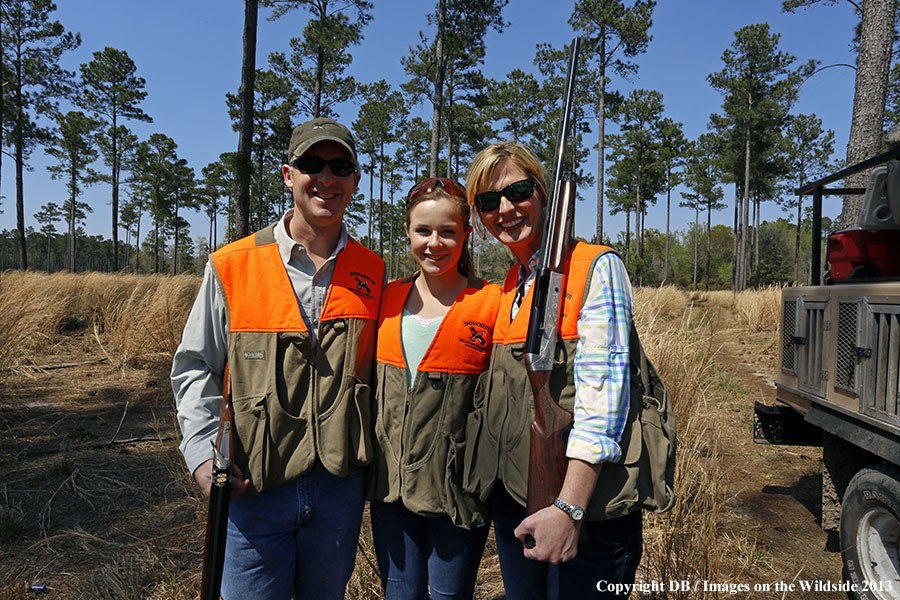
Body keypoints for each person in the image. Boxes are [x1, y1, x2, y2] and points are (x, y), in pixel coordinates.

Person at [172, 117, 384, 600]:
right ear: (289, 175)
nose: (325, 178)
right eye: (312, 164)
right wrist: (205, 456)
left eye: (340, 166)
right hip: (253, 490)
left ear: (354, 179)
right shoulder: (232, 264)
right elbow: (194, 366)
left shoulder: (374, 272)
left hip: (339, 493)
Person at [464, 141, 643, 600]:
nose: (504, 209)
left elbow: (603, 402)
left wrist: (568, 509)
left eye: (518, 191)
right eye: (487, 201)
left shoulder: (594, 268)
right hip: (519, 503)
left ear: (544, 193)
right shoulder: (511, 283)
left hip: (585, 515)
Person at [367, 177, 501, 600]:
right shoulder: (383, 301)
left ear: (466, 235)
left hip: (458, 496)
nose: (434, 243)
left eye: (448, 231)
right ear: (407, 232)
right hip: (390, 494)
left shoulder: (492, 303)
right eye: (423, 230)